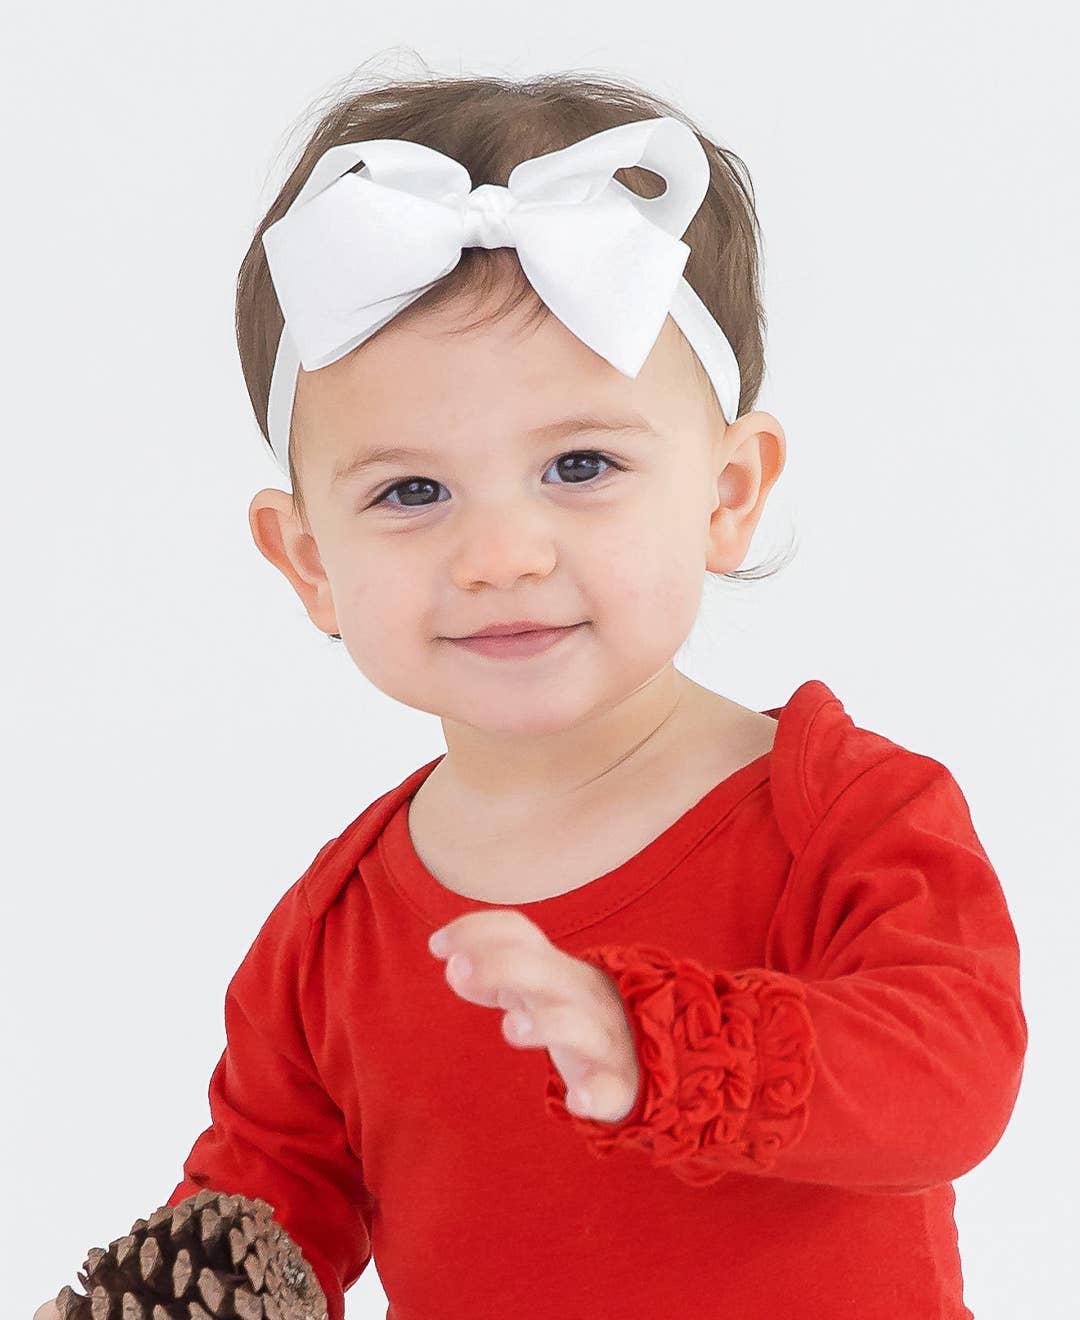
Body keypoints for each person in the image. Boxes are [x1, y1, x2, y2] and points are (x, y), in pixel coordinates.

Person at [36, 67, 1028, 1320]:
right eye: (411, 492)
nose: (501, 552)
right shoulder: (329, 938)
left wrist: (671, 1048)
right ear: (308, 561)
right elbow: (258, 1219)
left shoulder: (848, 814)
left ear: (727, 492)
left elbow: (954, 1077)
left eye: (579, 464)